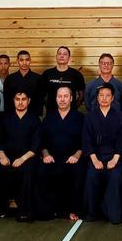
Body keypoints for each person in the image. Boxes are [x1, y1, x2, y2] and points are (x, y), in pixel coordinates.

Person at [37, 86, 85, 221]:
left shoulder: (80, 117)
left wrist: (76, 155)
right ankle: (48, 210)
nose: (62, 99)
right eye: (59, 96)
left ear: (71, 98)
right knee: (41, 171)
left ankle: (71, 209)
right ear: (56, 98)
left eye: (65, 96)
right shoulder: (49, 118)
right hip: (52, 157)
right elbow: (42, 141)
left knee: (77, 171)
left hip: (73, 157)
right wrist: (46, 155)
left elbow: (85, 141)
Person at [82, 83, 122, 224]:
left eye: (107, 95)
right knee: (91, 176)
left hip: (115, 157)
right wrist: (95, 160)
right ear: (97, 97)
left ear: (112, 98)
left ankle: (112, 214)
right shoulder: (90, 117)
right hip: (96, 157)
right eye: (101, 95)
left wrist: (115, 159)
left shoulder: (120, 116)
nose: (104, 98)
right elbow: (87, 140)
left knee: (115, 176)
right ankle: (92, 213)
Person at [0, 90, 41, 222]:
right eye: (17, 99)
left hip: (27, 157)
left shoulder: (34, 119)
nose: (20, 102)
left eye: (23, 99)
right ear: (13, 101)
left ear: (29, 101)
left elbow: (36, 144)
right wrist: (2, 156)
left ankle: (24, 211)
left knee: (27, 171)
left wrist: (22, 159)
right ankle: (1, 208)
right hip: (8, 156)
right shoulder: (5, 118)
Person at [41, 46, 86, 112]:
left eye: (65, 54)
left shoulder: (76, 74)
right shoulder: (47, 74)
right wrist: (49, 108)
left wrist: (74, 108)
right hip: (51, 114)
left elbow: (82, 95)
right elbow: (42, 95)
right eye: (59, 54)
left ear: (69, 58)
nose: (62, 56)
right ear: (56, 57)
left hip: (71, 114)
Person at [3, 50, 43, 116]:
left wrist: (37, 116)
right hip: (13, 116)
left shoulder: (38, 78)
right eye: (21, 60)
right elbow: (7, 100)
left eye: (27, 60)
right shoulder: (10, 79)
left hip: (33, 116)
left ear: (30, 60)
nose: (24, 63)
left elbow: (40, 100)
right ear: (17, 61)